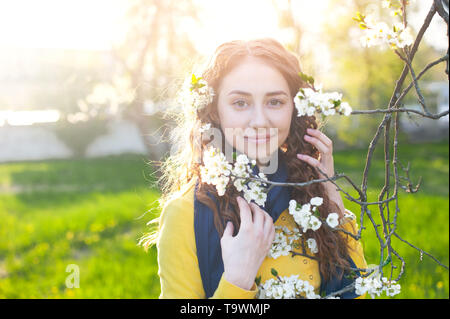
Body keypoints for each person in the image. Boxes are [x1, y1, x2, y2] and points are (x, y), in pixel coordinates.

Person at [140, 38, 368, 299]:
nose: (259, 121)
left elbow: (355, 291)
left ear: (294, 108)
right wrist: (238, 279)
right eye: (240, 103)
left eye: (275, 102)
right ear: (215, 111)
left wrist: (332, 204)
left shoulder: (311, 196)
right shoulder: (185, 214)